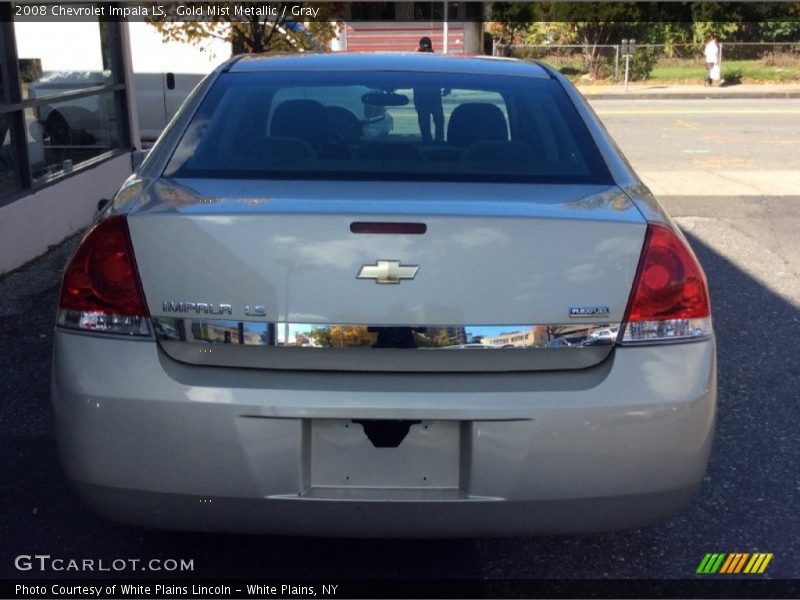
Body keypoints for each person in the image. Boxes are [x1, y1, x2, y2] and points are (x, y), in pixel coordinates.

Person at [413, 36, 445, 142]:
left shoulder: (435, 59)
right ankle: (430, 141)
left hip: (431, 98)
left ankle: (437, 141)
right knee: (426, 122)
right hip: (425, 98)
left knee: (437, 122)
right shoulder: (416, 59)